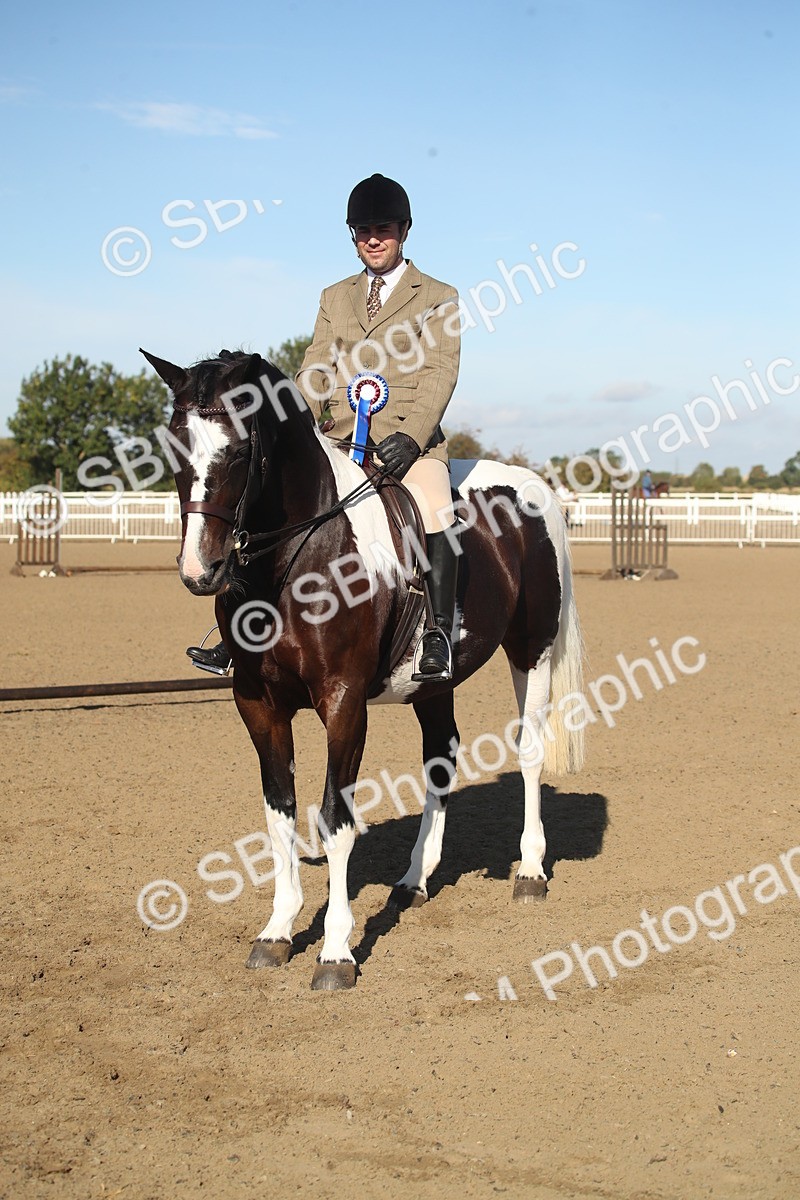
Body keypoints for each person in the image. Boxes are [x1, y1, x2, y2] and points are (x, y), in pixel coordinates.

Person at [187, 173, 462, 679]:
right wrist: (290, 414)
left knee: (435, 505)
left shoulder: (438, 296)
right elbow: (316, 368)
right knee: (271, 503)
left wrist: (413, 436)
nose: (373, 239)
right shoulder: (334, 297)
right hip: (337, 438)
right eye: (362, 231)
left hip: (406, 442)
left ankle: (439, 632)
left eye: (382, 229)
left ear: (404, 230)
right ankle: (240, 632)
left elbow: (440, 372)